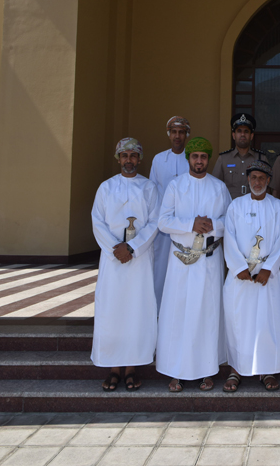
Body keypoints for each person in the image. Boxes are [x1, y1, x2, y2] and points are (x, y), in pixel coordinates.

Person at [155, 137, 232, 392]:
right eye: (195, 156)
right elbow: (163, 222)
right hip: (181, 262)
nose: (199, 161)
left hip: (209, 263)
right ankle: (174, 371)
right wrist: (190, 224)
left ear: (208, 159)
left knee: (205, 315)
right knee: (178, 315)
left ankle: (206, 371)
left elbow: (229, 221)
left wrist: (212, 226)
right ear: (188, 158)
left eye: (203, 156)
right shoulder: (175, 186)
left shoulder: (219, 187)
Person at [90, 138, 159, 392]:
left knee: (136, 311)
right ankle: (113, 368)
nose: (129, 160)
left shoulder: (149, 188)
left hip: (139, 261)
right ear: (118, 158)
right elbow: (97, 221)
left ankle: (131, 368)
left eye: (133, 155)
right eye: (124, 155)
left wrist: (132, 248)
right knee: (112, 312)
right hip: (112, 262)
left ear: (139, 159)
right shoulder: (106, 188)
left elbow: (154, 222)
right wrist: (115, 249)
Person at [222, 160, 280, 392]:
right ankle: (236, 370)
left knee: (267, 323)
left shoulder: (278, 207)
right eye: (253, 178)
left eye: (262, 178)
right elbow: (228, 237)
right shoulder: (235, 206)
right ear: (247, 180)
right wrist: (238, 266)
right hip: (240, 277)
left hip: (267, 278)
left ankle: (267, 370)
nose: (257, 182)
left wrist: (268, 268)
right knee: (238, 322)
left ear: (268, 181)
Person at [149, 116, 191, 312]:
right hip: (163, 225)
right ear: (168, 134)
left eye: (181, 132)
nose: (177, 136)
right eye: (173, 132)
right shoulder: (158, 159)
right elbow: (153, 191)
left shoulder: (192, 158)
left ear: (186, 135)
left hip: (185, 224)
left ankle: (179, 310)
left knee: (183, 266)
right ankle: (157, 311)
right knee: (160, 268)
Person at [212, 113, 268, 199]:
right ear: (233, 135)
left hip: (255, 207)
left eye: (246, 131)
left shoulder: (261, 158)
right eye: (239, 131)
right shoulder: (223, 159)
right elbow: (214, 187)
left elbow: (268, 187)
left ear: (251, 135)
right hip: (229, 207)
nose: (242, 134)